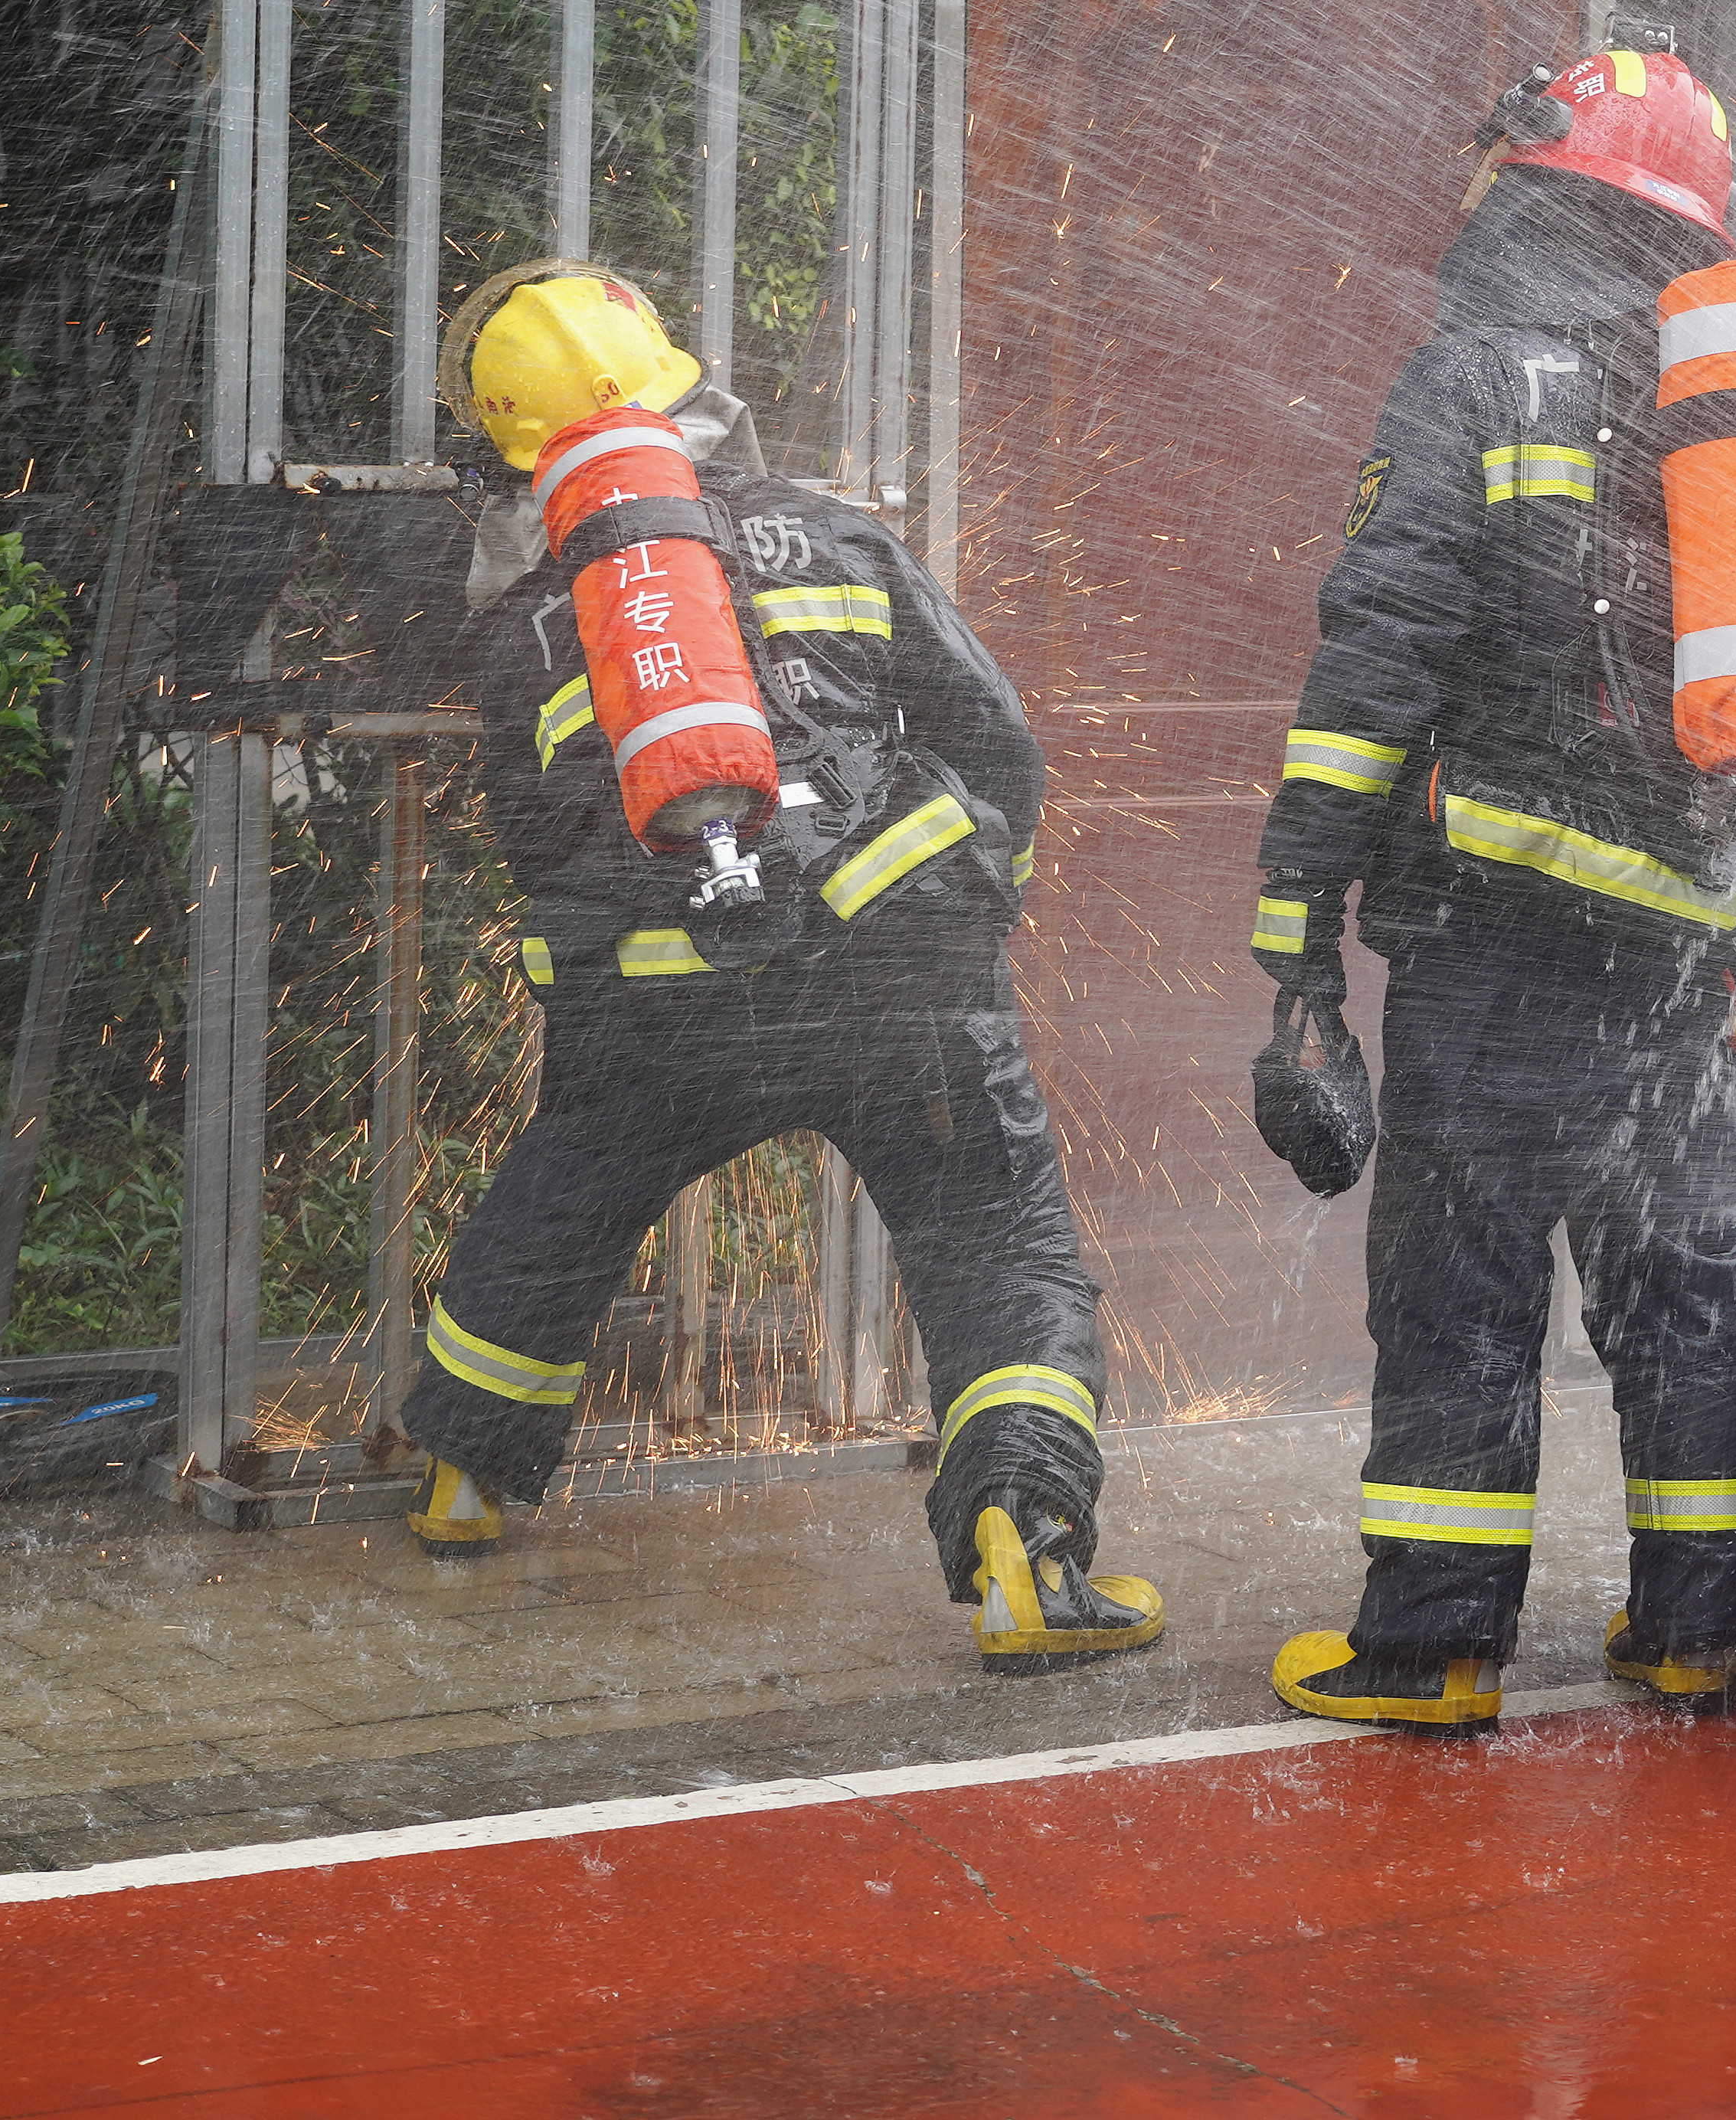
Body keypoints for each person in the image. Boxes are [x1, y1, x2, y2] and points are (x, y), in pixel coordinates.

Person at [1244, 35, 1736, 1730]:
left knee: (1463, 1288)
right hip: (1695, 948)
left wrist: (1298, 940)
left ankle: (1434, 1647)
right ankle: (1693, 1632)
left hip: (1501, 928)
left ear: (1540, 189)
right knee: (1683, 1289)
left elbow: (1376, 661)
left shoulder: (1478, 372)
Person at [391, 262, 1162, 1677]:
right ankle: (1024, 1554)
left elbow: (532, 833)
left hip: (662, 995)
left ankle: (460, 1483)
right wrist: (986, 910)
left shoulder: (533, 629)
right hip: (900, 974)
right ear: (690, 394)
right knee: (993, 1238)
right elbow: (996, 739)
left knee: (568, 1188)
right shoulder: (838, 537)